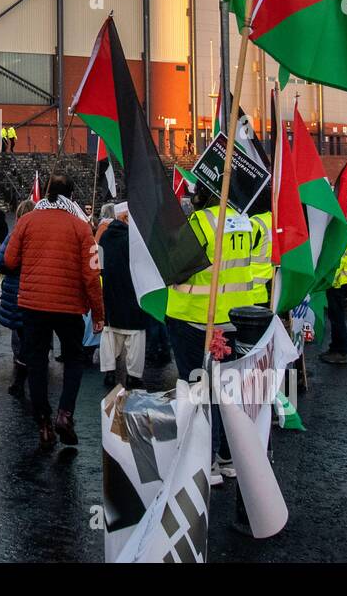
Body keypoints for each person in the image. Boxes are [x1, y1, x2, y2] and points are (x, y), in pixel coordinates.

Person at [165, 185, 258, 481]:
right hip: (235, 317)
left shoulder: (202, 222)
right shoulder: (247, 222)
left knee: (198, 389)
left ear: (201, 197)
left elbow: (176, 265)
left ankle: (207, 459)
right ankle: (228, 457)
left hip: (196, 317)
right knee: (227, 390)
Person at [4, 173, 104, 448]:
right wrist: (98, 314)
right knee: (73, 360)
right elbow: (91, 275)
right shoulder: (80, 227)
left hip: (33, 305)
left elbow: (10, 260)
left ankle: (44, 422)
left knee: (36, 362)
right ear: (70, 196)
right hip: (70, 306)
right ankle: (65, 414)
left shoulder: (26, 221)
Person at [98, 203, 151, 389]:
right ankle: (133, 376)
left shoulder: (104, 237)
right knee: (135, 337)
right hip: (132, 294)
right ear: (125, 218)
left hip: (111, 293)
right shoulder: (135, 240)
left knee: (110, 335)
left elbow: (99, 265)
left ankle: (109, 371)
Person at [0, 198, 34, 398]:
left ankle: (20, 376)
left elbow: (1, 262)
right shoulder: (41, 235)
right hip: (36, 290)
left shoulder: (15, 234)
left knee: (19, 334)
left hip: (18, 290)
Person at [320, 233, 347, 365]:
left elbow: (339, 259)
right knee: (335, 315)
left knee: (337, 316)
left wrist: (330, 279)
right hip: (343, 278)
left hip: (340, 280)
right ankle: (335, 348)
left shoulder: (338, 232)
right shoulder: (344, 230)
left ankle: (341, 352)